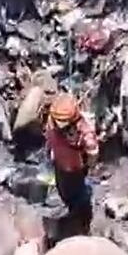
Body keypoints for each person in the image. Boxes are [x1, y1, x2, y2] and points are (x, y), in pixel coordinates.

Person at [44, 94, 99, 236]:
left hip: (75, 168)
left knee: (79, 194)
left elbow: (93, 153)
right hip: (59, 163)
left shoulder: (84, 132)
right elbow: (49, 136)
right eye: (57, 120)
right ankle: (70, 206)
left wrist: (89, 167)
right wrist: (49, 152)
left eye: (62, 121)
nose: (58, 124)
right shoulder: (52, 121)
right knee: (63, 189)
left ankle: (81, 217)